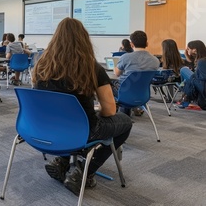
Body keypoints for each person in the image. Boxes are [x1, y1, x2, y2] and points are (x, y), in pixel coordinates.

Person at [32, 17, 133, 196]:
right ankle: (84, 170)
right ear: (84, 39)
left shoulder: (41, 65)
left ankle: (62, 161)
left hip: (45, 127)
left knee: (74, 121)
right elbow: (110, 110)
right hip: (82, 129)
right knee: (125, 121)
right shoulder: (92, 68)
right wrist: (96, 110)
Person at [114, 30, 160, 116]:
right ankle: (133, 110)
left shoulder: (126, 57)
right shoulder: (155, 60)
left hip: (123, 92)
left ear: (131, 44)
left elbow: (117, 73)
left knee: (107, 86)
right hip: (143, 95)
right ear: (147, 44)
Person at [178, 40, 206, 107]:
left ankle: (182, 88)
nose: (187, 50)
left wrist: (194, 76)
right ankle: (184, 93)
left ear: (194, 50)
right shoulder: (201, 59)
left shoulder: (201, 61)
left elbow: (202, 78)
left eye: (188, 49)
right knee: (186, 77)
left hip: (201, 84)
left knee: (183, 70)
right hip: (199, 81)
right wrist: (187, 56)